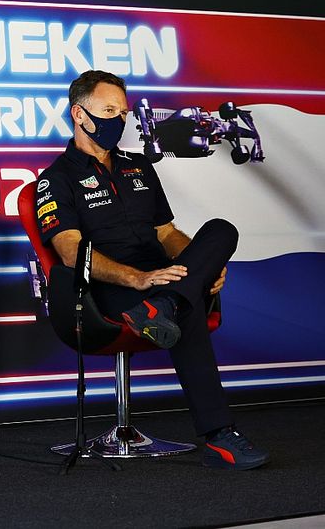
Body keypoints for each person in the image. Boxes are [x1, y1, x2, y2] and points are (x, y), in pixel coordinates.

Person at [35, 70, 269, 470]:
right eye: (108, 110)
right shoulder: (56, 178)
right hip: (107, 289)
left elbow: (166, 233)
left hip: (160, 279)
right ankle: (220, 435)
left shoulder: (139, 165)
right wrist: (138, 279)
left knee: (220, 232)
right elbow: (72, 253)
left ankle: (165, 304)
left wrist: (202, 266)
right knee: (187, 304)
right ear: (79, 114)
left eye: (122, 111)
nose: (119, 119)